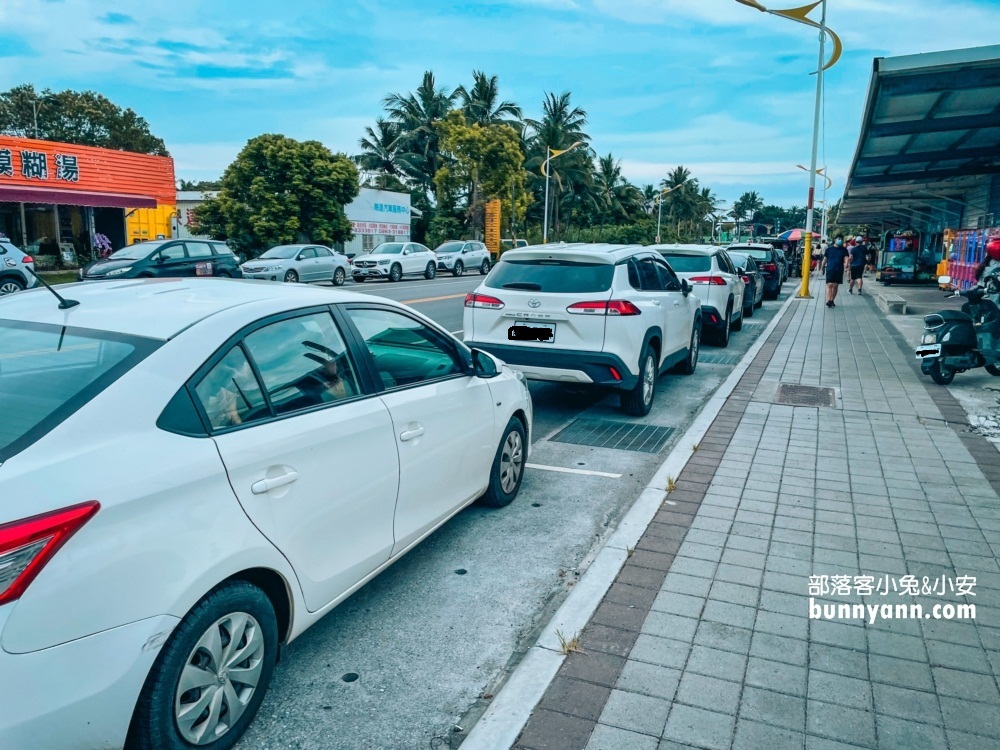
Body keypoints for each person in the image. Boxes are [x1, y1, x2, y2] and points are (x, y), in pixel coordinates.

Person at [820, 237, 850, 307]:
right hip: (830, 268)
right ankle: (829, 300)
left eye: (841, 239)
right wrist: (822, 267)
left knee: (835, 285)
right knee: (829, 285)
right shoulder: (829, 249)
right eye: (838, 239)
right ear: (835, 240)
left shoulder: (844, 250)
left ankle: (832, 300)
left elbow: (846, 257)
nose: (840, 240)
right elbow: (825, 259)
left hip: (839, 269)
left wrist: (846, 264)